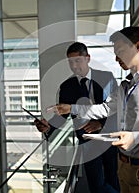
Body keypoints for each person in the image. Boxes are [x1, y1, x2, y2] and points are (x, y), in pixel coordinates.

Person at [48, 27, 139, 193]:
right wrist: (71, 108)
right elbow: (105, 108)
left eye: (121, 51)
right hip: (123, 164)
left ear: (138, 47)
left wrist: (137, 137)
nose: (116, 58)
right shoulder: (126, 85)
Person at [35, 42, 120, 193]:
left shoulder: (106, 77)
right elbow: (62, 115)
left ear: (87, 58)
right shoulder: (67, 86)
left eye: (78, 60)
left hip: (109, 138)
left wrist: (100, 123)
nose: (74, 66)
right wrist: (48, 126)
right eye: (70, 62)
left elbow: (117, 108)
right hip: (87, 140)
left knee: (113, 178)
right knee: (96, 184)